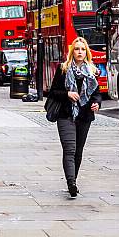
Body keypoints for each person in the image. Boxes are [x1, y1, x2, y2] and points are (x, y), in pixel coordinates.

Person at [49, 37, 101, 198]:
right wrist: (67, 94)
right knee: (69, 149)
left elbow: (96, 94)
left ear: (87, 52)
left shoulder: (92, 71)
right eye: (77, 49)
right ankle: (71, 182)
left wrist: (96, 103)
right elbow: (53, 92)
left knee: (78, 150)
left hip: (84, 115)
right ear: (73, 52)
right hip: (65, 114)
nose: (80, 52)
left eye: (83, 49)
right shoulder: (63, 69)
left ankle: (74, 180)